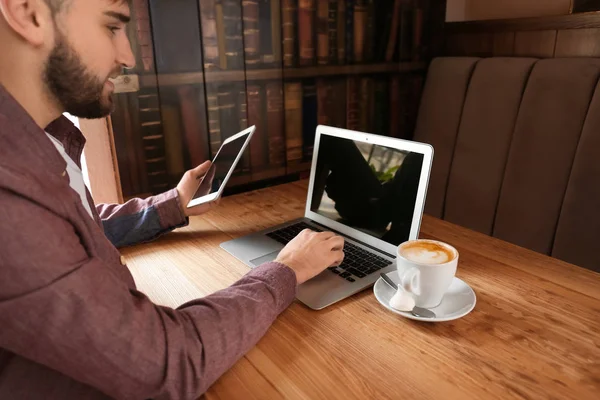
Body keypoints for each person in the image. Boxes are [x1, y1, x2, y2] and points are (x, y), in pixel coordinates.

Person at [0, 1, 344, 399]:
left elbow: (77, 226)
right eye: (112, 27)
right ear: (27, 12)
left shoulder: (42, 140)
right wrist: (286, 270)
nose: (127, 56)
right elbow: (170, 363)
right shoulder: (10, 196)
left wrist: (173, 204)